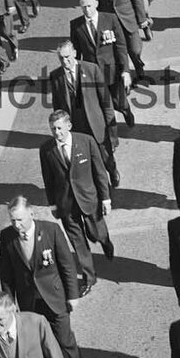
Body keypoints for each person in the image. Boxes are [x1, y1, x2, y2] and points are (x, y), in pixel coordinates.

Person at [0, 197, 83, 358]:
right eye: (13, 220)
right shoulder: (7, 237)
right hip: (29, 300)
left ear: (31, 213)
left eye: (20, 220)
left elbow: (67, 264)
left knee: (63, 337)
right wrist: (8, 303)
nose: (17, 225)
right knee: (39, 338)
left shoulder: (51, 230)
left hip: (54, 297)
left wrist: (73, 295)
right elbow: (6, 274)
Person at [39, 110, 113, 293]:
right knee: (78, 242)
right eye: (53, 129)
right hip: (65, 204)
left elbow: (99, 172)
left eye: (59, 128)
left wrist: (105, 198)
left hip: (88, 199)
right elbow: (48, 180)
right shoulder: (46, 150)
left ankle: (105, 240)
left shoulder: (86, 141)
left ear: (69, 126)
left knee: (96, 233)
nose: (56, 133)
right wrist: (53, 205)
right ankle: (89, 277)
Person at [50, 38, 119, 189]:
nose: (65, 61)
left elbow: (105, 101)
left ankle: (113, 171)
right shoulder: (55, 76)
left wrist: (112, 131)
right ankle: (103, 187)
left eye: (67, 57)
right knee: (88, 159)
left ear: (74, 53)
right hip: (75, 126)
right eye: (61, 58)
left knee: (105, 157)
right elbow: (57, 106)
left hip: (96, 124)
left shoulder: (91, 69)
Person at [69, 0, 134, 129]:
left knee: (119, 102)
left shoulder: (110, 19)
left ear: (96, 4)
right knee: (104, 107)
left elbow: (121, 46)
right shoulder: (76, 25)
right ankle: (112, 134)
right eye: (84, 6)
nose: (87, 9)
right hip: (92, 73)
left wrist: (126, 71)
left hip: (112, 70)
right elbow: (77, 53)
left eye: (90, 5)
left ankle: (126, 111)